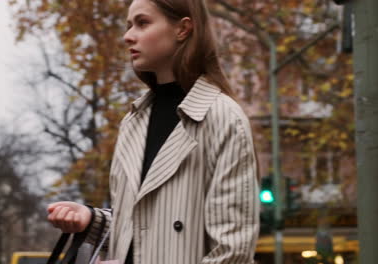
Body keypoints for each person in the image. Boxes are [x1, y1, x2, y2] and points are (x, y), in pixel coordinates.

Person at [47, 0, 260, 263]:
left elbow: (233, 253)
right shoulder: (133, 120)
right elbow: (145, 229)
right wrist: (91, 220)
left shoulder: (222, 117)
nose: (128, 36)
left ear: (182, 29)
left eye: (142, 23)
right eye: (128, 26)